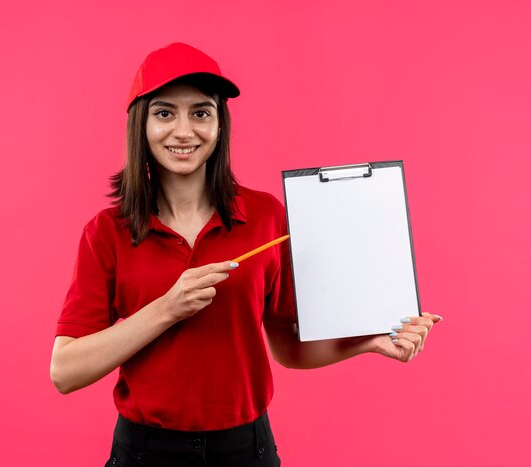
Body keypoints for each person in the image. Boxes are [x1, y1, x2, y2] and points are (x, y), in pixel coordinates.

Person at [50, 42, 442, 467]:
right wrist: (167, 308)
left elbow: (289, 348)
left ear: (220, 125)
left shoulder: (266, 216)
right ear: (140, 125)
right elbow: (65, 371)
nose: (184, 131)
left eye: (201, 112)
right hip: (145, 452)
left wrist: (370, 341)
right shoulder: (108, 232)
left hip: (245, 450)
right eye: (165, 113)